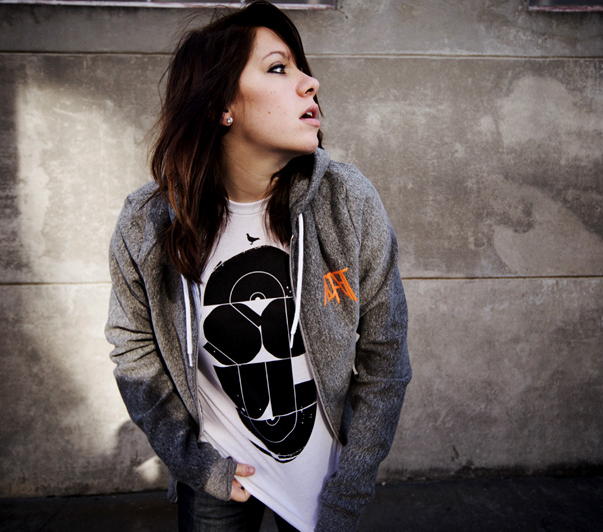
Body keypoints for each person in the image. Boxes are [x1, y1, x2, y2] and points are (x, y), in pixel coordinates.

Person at [105, 2, 410, 531]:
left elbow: (385, 356)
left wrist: (352, 487)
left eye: (301, 66)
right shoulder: (149, 223)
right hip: (219, 475)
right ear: (222, 105)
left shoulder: (346, 201)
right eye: (278, 68)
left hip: (323, 486)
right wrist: (195, 463)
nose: (310, 82)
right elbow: (133, 348)